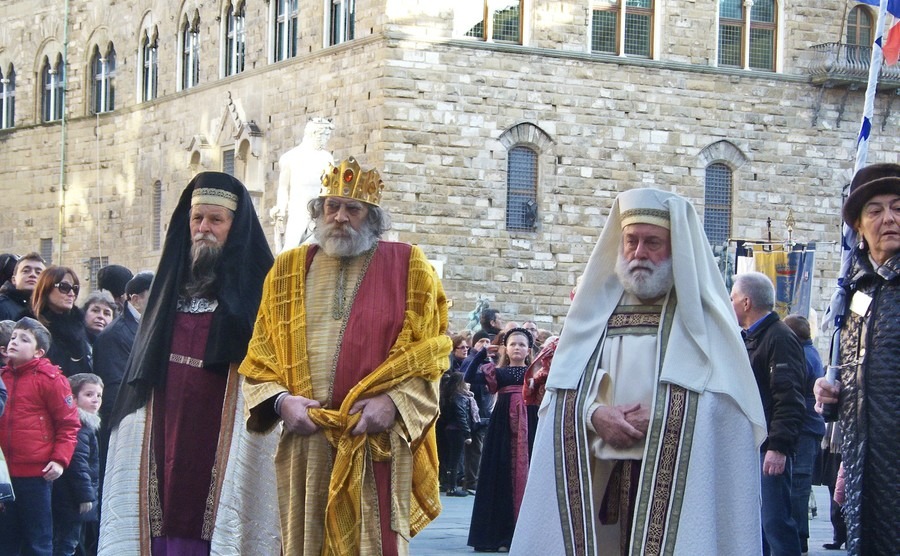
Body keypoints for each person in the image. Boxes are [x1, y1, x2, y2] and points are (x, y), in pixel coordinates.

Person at [512, 188, 767, 555]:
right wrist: (594, 414)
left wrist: (665, 416)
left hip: (679, 484)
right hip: (598, 479)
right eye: (631, 240)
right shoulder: (595, 311)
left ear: (676, 247)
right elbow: (561, 391)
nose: (638, 253)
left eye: (653, 242)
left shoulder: (705, 318)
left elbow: (731, 409)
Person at [239, 156, 451, 555]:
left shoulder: (410, 265)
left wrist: (394, 403)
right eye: (330, 206)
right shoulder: (286, 269)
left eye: (352, 209)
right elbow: (260, 354)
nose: (339, 217)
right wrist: (282, 403)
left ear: (372, 217)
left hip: (374, 441)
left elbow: (432, 352)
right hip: (308, 442)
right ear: (318, 212)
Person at [99, 172, 280, 555]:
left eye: (216, 220)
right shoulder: (168, 290)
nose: (203, 229)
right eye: (197, 219)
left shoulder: (263, 292)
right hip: (164, 429)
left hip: (226, 429)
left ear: (235, 226)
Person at [814, 163, 900, 555]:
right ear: (860, 229)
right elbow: (852, 374)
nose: (889, 219)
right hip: (864, 462)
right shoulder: (854, 294)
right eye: (875, 210)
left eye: (898, 207)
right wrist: (831, 395)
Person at [732, 272, 806, 556]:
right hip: (757, 446)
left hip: (769, 449)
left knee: (775, 522)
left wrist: (778, 447)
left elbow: (788, 397)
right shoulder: (756, 337)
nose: (731, 304)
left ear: (747, 302)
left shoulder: (778, 338)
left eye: (733, 299)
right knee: (760, 524)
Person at [0, 317, 81, 556]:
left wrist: (59, 460)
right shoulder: (2, 377)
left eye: (24, 339)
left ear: (39, 351)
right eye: (13, 337)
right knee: (6, 540)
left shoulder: (51, 379)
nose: (15, 342)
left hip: (36, 474)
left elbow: (69, 424)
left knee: (39, 540)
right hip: (4, 475)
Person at [465, 327, 534, 552]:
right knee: (500, 472)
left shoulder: (535, 372)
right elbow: (468, 376)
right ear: (506, 348)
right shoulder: (498, 372)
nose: (517, 348)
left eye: (522, 344)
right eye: (513, 344)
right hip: (502, 424)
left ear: (528, 350)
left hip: (530, 422)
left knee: (529, 473)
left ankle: (523, 534)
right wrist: (481, 353)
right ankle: (498, 534)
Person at [782, 314, 826, 554]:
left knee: (798, 486)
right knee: (800, 485)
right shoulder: (811, 353)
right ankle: (800, 538)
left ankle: (800, 540)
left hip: (804, 430)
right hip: (809, 428)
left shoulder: (801, 356)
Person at [92, 271, 153, 429]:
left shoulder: (146, 328)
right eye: (154, 295)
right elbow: (115, 389)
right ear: (135, 299)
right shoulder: (114, 334)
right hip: (126, 424)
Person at [52, 373, 102, 556]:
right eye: (89, 395)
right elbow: (78, 463)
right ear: (72, 398)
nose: (96, 400)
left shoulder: (86, 426)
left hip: (70, 497)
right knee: (66, 543)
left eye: (99, 395)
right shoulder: (79, 427)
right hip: (71, 498)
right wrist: (85, 496)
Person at [270, 117, 335, 252]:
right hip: (298, 211)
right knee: (290, 249)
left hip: (320, 211)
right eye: (325, 136)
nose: (326, 140)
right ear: (314, 134)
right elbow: (283, 187)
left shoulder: (327, 158)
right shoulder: (290, 157)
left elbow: (331, 187)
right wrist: (281, 209)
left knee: (317, 249)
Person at [31, 266, 93, 377]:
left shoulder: (79, 325)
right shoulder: (29, 325)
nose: (71, 294)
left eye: (75, 288)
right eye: (64, 287)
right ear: (46, 288)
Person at [440, 371, 477, 497]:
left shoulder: (448, 395)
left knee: (450, 458)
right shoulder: (460, 397)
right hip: (457, 430)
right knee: (456, 459)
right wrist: (467, 434)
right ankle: (452, 487)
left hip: (449, 428)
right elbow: (461, 415)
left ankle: (449, 484)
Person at [0, 252, 46, 321]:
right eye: (26, 271)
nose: (32, 274)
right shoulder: (2, 306)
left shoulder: (48, 310)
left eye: (38, 273)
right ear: (14, 279)